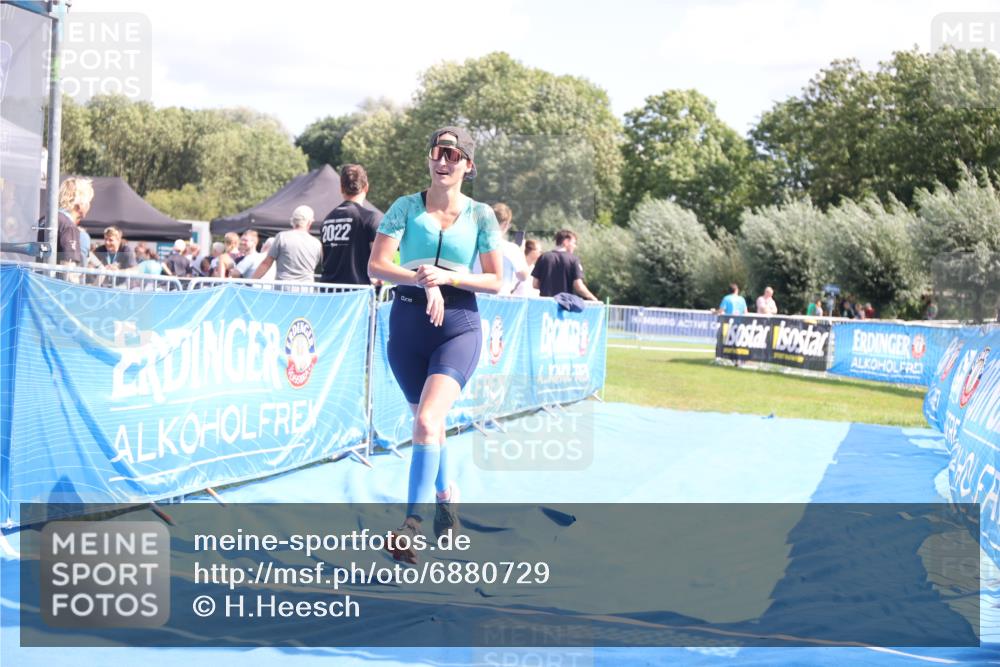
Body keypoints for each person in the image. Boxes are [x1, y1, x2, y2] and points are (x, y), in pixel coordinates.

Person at [367, 126, 503, 563]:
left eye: (452, 154)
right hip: (408, 323)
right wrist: (424, 278)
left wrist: (449, 278)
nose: (442, 161)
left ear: (468, 165)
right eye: (436, 153)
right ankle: (446, 497)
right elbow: (378, 265)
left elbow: (497, 280)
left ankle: (411, 525)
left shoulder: (481, 215)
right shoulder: (405, 207)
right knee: (431, 426)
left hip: (457, 325)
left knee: (427, 421)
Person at [319, 164, 384, 285]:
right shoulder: (370, 218)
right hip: (356, 295)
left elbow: (324, 258)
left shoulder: (327, 219)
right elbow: (378, 262)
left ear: (341, 188)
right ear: (366, 187)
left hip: (327, 293)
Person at [252, 206, 322, 283]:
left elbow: (266, 264)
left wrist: (250, 282)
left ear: (293, 220)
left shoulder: (282, 237)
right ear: (309, 222)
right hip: (306, 290)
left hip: (283, 289)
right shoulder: (316, 243)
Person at [472, 203, 530, 295]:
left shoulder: (473, 244)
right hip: (500, 301)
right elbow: (523, 276)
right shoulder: (511, 249)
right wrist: (521, 252)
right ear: (505, 224)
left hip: (474, 299)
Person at [531, 229, 598, 300]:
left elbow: (535, 284)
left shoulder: (543, 257)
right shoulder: (573, 259)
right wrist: (593, 298)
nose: (575, 246)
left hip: (546, 304)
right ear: (566, 242)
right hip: (564, 304)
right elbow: (578, 286)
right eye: (574, 243)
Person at [54, 177, 94, 283]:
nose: (89, 205)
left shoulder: (47, 219)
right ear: (80, 204)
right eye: (88, 201)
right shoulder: (69, 226)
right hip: (56, 291)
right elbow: (69, 271)